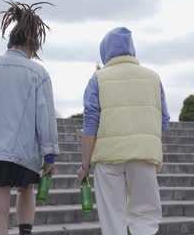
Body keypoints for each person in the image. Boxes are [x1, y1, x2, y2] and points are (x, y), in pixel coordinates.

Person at [0, 0, 59, 235]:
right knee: (26, 190)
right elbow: (44, 119)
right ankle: (25, 231)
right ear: (31, 42)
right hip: (23, 151)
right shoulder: (38, 73)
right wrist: (49, 153)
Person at [76, 27, 170, 235]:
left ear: (105, 51)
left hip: (108, 158)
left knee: (113, 217)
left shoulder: (98, 79)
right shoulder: (153, 78)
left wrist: (85, 165)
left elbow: (90, 124)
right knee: (145, 215)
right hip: (144, 155)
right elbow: (164, 121)